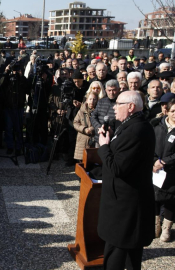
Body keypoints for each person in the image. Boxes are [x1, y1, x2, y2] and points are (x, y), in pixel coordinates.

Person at [98, 91, 155, 270]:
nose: (114, 107)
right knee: (131, 251)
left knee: (117, 251)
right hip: (125, 203)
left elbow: (117, 168)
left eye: (118, 104)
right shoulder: (130, 125)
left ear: (130, 107)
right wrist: (113, 137)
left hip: (125, 207)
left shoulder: (137, 130)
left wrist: (104, 146)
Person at [152, 98, 175, 242]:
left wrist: (166, 161)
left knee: (171, 199)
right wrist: (154, 161)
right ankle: (156, 224)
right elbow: (149, 145)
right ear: (167, 111)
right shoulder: (157, 126)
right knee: (154, 196)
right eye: (173, 111)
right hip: (155, 169)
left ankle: (167, 228)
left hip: (172, 169)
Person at [90, 79, 120, 145]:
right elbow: (93, 116)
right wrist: (99, 127)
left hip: (114, 139)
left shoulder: (121, 103)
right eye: (109, 90)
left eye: (114, 90)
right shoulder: (101, 101)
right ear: (106, 90)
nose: (111, 93)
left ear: (118, 90)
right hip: (99, 137)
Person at [73, 92, 98, 161]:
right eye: (90, 99)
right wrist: (84, 129)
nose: (92, 101)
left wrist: (92, 129)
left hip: (94, 140)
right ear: (87, 100)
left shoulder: (99, 111)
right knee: (82, 162)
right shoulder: (81, 111)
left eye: (94, 99)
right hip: (82, 140)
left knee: (93, 160)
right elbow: (75, 123)